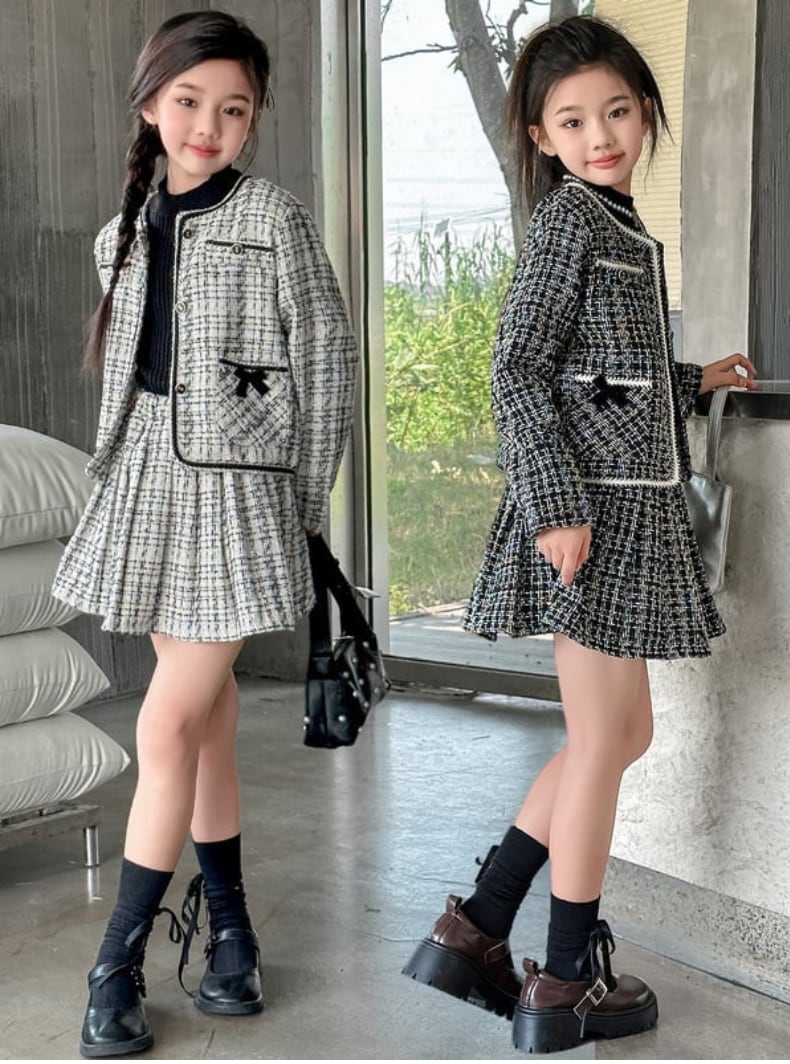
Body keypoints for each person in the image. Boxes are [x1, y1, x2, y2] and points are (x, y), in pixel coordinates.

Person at [402, 14, 756, 1056]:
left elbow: (599, 375)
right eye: (572, 120)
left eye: (616, 111)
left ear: (645, 111)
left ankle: (477, 926)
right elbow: (517, 368)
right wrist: (556, 506)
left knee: (621, 735)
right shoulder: (570, 223)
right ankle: (563, 979)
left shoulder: (617, 222)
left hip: (621, 514)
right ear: (539, 135)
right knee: (605, 742)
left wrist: (691, 379)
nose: (600, 135)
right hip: (590, 519)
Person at [51, 9, 357, 1059]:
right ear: (150, 103)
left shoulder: (273, 217)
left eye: (233, 109)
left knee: (166, 725)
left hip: (238, 497)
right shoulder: (119, 235)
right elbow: (129, 385)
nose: (208, 126)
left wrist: (300, 507)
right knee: (209, 720)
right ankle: (231, 934)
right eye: (188, 102)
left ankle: (117, 959)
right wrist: (108, 481)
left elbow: (327, 361)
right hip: (146, 485)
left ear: (253, 119)